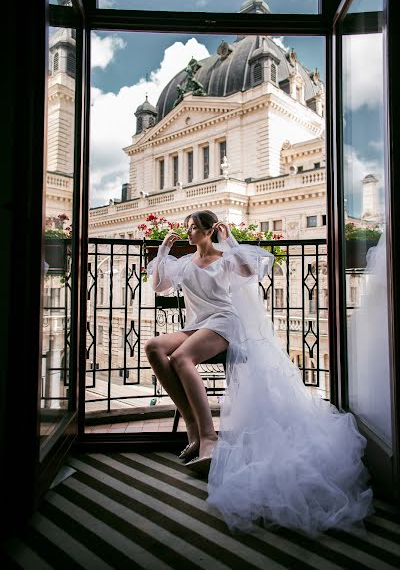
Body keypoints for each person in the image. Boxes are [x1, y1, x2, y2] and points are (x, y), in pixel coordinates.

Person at [145, 210, 373, 537]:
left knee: (181, 358)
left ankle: (208, 437)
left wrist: (232, 239)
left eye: (195, 228)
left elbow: (250, 272)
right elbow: (159, 287)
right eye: (188, 228)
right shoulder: (184, 264)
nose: (190, 232)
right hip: (196, 326)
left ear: (210, 231)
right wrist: (164, 252)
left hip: (223, 324)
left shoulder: (225, 259)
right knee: (154, 347)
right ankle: (193, 425)